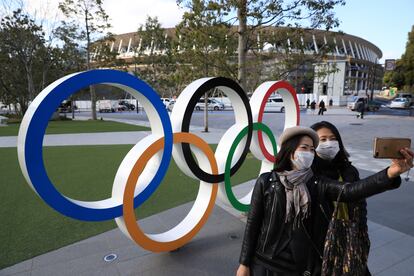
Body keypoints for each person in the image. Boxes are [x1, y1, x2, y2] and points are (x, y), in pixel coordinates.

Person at [237, 126, 413, 276]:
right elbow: (253, 224)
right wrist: (244, 263)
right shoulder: (267, 181)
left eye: (312, 149)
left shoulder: (317, 183)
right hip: (266, 263)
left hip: (303, 267)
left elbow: (351, 191)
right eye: (304, 148)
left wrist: (391, 172)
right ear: (289, 151)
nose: (309, 153)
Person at [310, 121, 371, 275]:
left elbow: (360, 203)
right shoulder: (308, 174)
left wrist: (360, 231)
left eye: (333, 138)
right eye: (322, 139)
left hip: (349, 238)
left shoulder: (349, 171)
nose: (328, 143)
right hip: (319, 243)